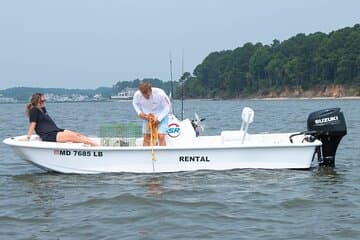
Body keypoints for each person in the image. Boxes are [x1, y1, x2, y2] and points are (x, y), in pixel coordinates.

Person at [25, 93, 100, 146]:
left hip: (56, 130)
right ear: (37, 101)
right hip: (49, 134)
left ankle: (95, 144)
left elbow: (43, 122)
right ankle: (99, 147)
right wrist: (28, 138)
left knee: (77, 135)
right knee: (76, 138)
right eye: (42, 101)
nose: (44, 102)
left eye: (44, 100)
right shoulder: (34, 110)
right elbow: (33, 124)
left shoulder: (42, 109)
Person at [132, 81, 171, 146]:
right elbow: (134, 103)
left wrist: (158, 119)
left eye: (147, 95)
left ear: (150, 90)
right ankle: (146, 155)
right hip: (147, 117)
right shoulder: (137, 94)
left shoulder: (160, 94)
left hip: (162, 116)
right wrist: (139, 113)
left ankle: (163, 154)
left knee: (161, 136)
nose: (145, 97)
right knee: (146, 137)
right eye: (143, 95)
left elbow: (167, 107)